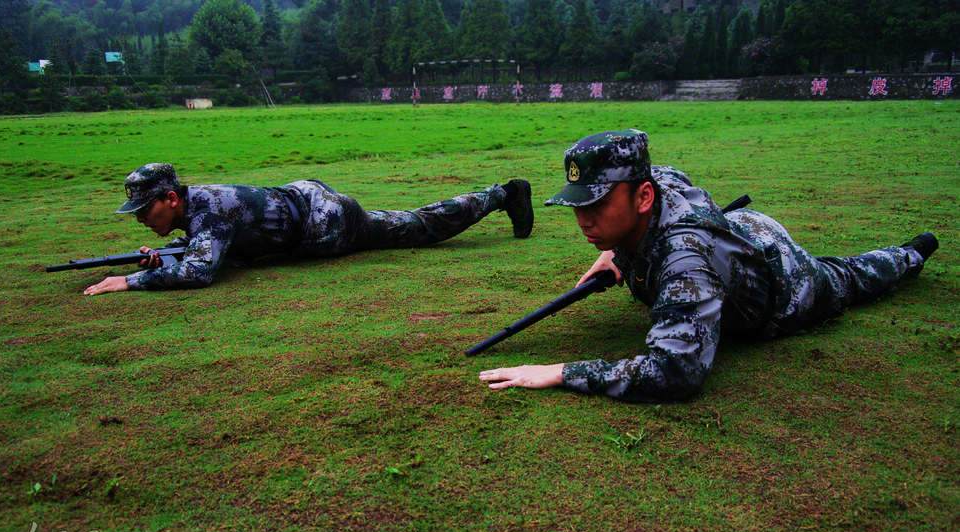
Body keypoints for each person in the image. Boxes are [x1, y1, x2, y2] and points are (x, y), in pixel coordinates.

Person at [479, 129, 939, 402]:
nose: (585, 220)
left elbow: (677, 372)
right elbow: (671, 175)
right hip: (733, 233)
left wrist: (562, 372)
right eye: (579, 204)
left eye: (598, 204)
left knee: (848, 278)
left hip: (782, 278)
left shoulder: (684, 263)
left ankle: (910, 254)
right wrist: (619, 252)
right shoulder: (651, 181)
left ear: (643, 198)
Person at [83, 163, 534, 295]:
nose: (142, 218)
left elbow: (201, 271)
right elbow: (207, 246)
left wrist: (130, 280)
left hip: (325, 223)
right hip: (308, 202)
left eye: (146, 210)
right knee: (411, 223)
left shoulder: (206, 212)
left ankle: (501, 194)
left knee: (415, 226)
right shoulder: (198, 207)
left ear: (171, 199)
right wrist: (168, 254)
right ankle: (499, 195)